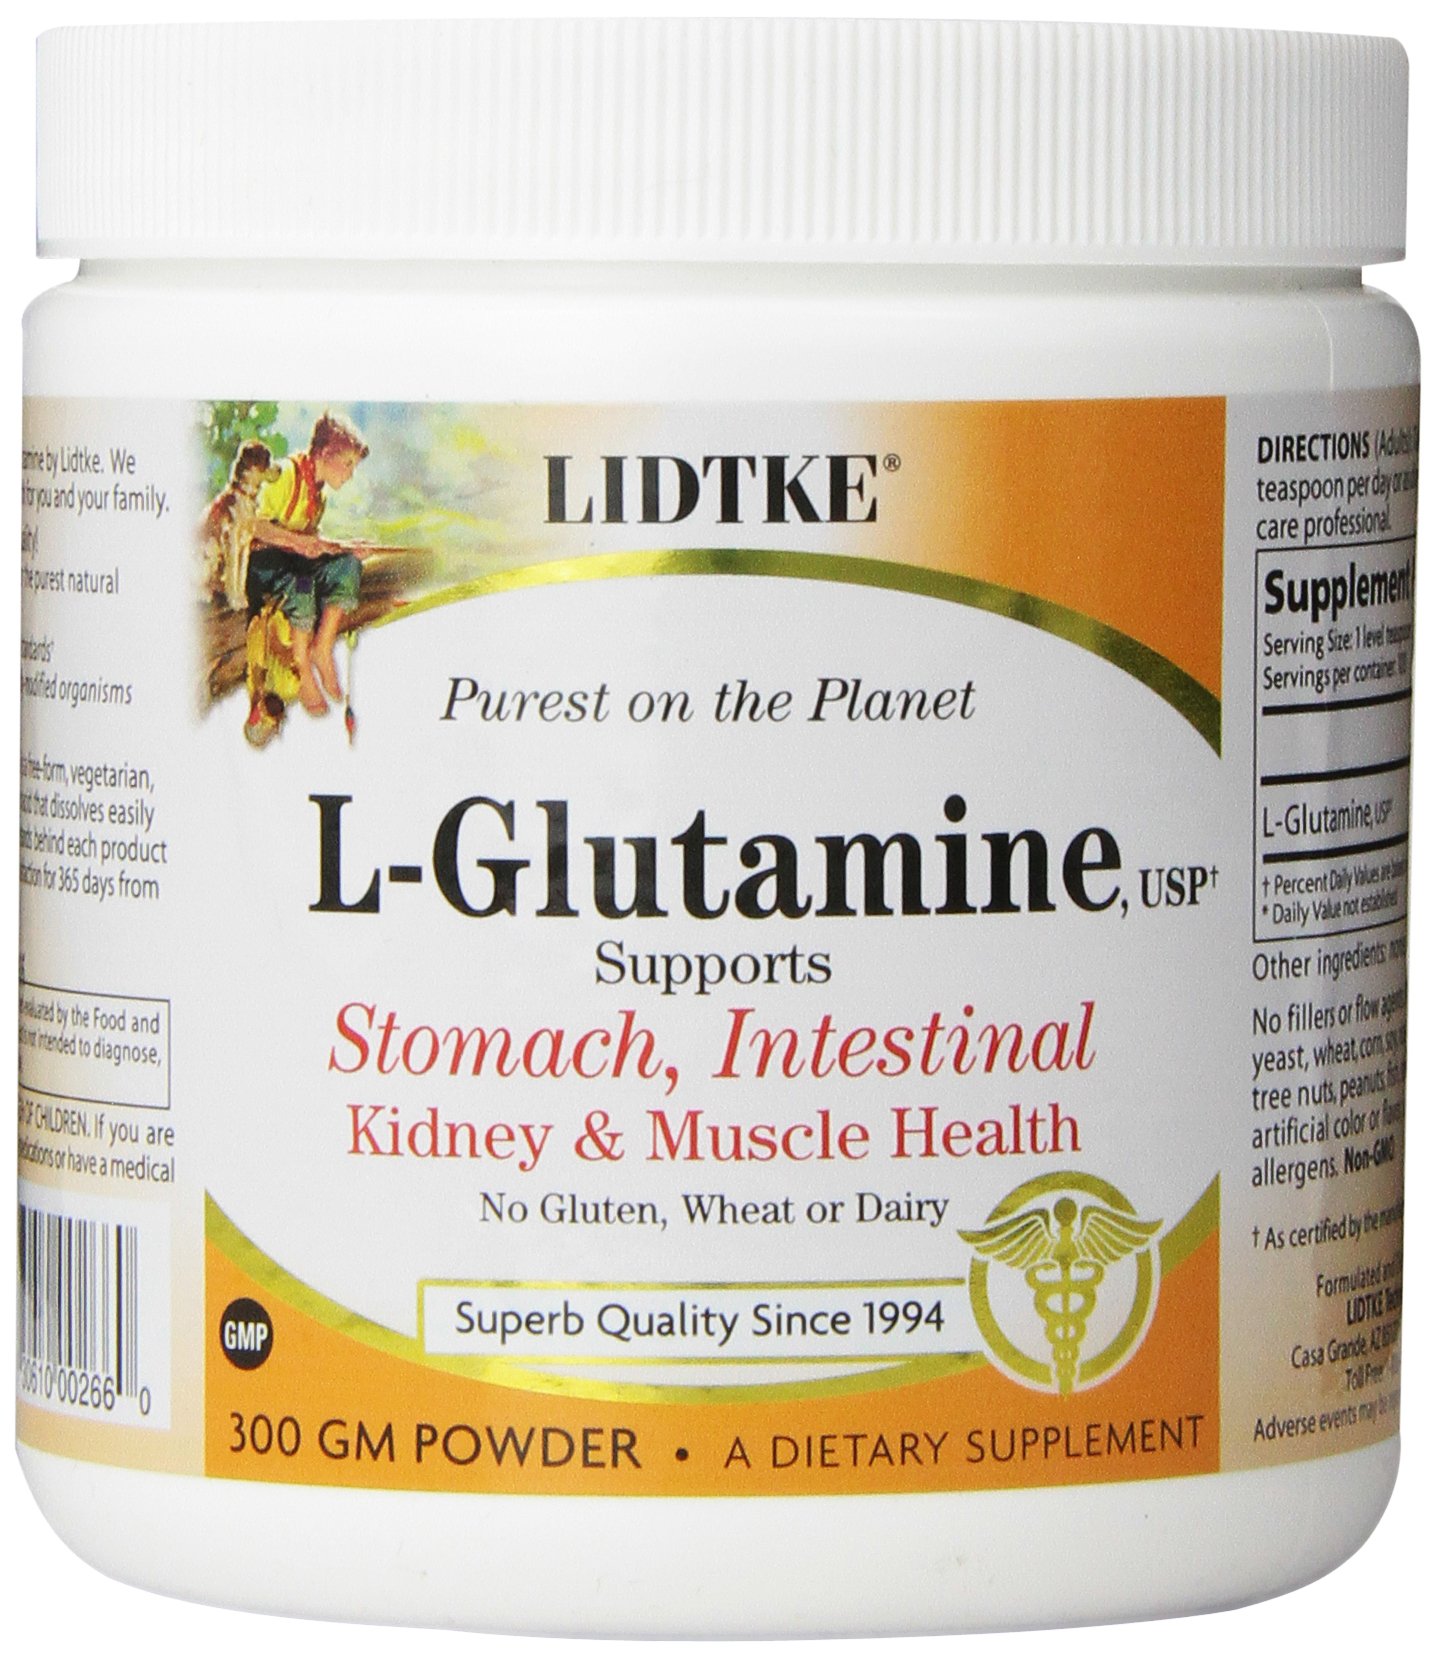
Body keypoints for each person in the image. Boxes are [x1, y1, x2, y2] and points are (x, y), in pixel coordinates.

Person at [247, 412, 370, 715]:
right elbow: (253, 525)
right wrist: (298, 543)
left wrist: (341, 549)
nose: (350, 474)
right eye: (347, 463)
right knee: (302, 581)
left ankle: (322, 647)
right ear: (325, 453)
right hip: (264, 566)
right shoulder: (285, 475)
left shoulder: (318, 495)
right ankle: (301, 663)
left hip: (294, 563)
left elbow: (309, 539)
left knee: (349, 566)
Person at [199, 439, 281, 610]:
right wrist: (233, 594)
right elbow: (231, 552)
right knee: (231, 548)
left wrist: (240, 594)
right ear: (251, 468)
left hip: (217, 572)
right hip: (203, 565)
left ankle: (238, 593)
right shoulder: (232, 503)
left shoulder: (248, 502)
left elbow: (243, 552)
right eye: (266, 463)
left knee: (243, 549)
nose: (272, 468)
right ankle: (231, 594)